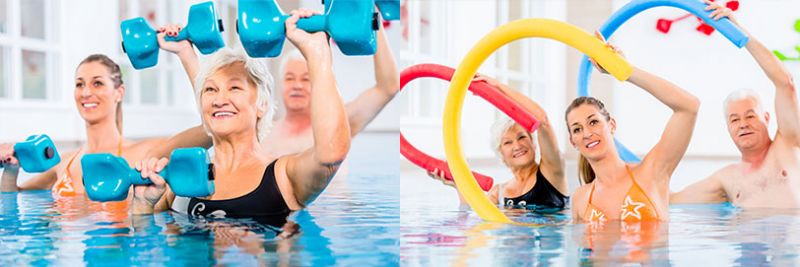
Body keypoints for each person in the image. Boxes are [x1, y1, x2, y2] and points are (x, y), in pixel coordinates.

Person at [131, 9, 350, 221]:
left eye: (234, 88)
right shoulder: (178, 180)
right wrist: (142, 204)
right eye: (210, 90)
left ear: (261, 105)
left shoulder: (283, 176)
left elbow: (331, 153)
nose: (219, 100)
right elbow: (141, 246)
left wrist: (317, 53)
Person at [0, 53, 209, 199]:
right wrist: (11, 170)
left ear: (119, 92)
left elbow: (209, 128)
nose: (86, 92)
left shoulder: (146, 152)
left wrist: (185, 54)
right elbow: (15, 196)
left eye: (97, 83)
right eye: (79, 84)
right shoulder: (63, 161)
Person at [671, 0, 800, 208]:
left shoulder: (788, 144)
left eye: (750, 116)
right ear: (728, 128)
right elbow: (670, 201)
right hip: (747, 240)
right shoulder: (726, 180)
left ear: (766, 118)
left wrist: (739, 32)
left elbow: (785, 83)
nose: (743, 124)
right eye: (735, 119)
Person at [568, 36, 700, 222]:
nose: (587, 133)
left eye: (593, 122)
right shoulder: (580, 199)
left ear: (611, 125)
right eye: (577, 129)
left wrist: (626, 71)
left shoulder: (651, 173)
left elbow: (689, 107)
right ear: (572, 141)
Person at [428, 75, 568, 211]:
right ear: (500, 153)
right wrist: (458, 184)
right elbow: (471, 214)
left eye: (522, 137)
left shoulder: (552, 170)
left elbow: (542, 121)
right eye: (508, 143)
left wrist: (498, 87)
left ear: (533, 143)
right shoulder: (498, 193)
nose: (517, 146)